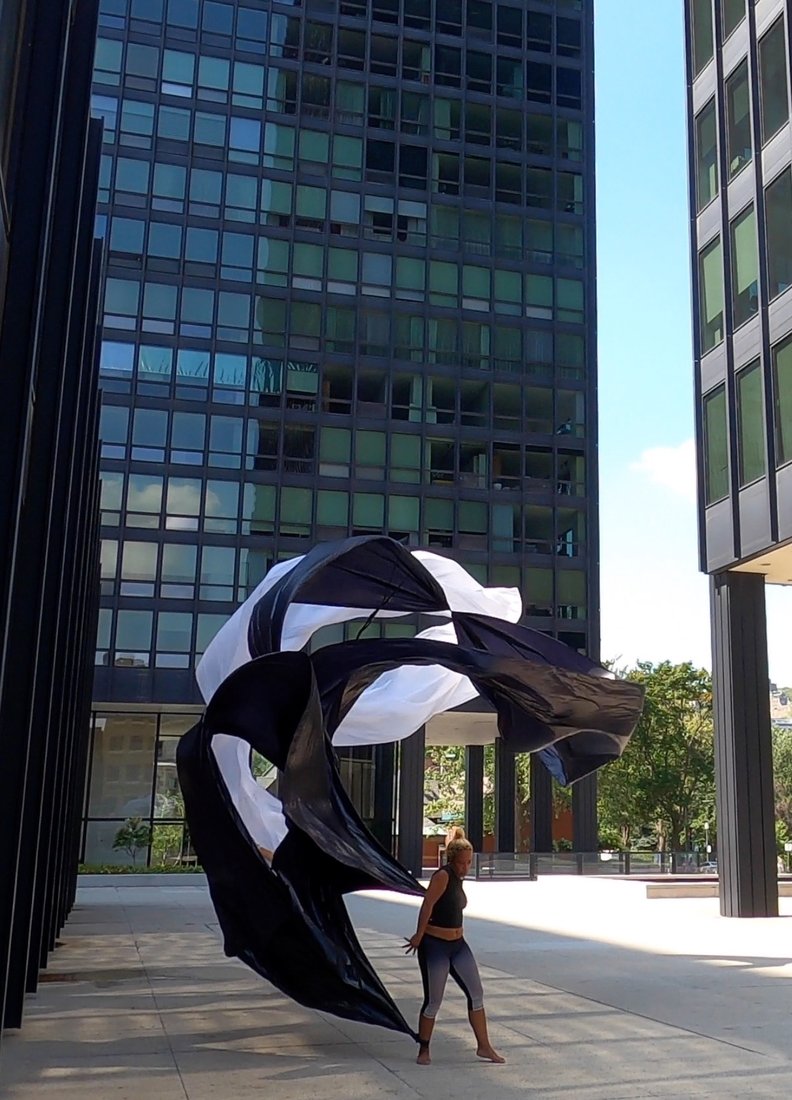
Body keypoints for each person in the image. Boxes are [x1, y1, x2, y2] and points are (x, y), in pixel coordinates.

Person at [404, 826, 504, 1066]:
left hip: (458, 945)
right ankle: (424, 1048)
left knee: (476, 994)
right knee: (434, 1000)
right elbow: (427, 905)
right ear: (452, 860)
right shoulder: (443, 876)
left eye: (469, 863)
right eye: (461, 863)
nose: (465, 868)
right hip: (435, 945)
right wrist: (418, 934)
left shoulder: (459, 879)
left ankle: (484, 1046)